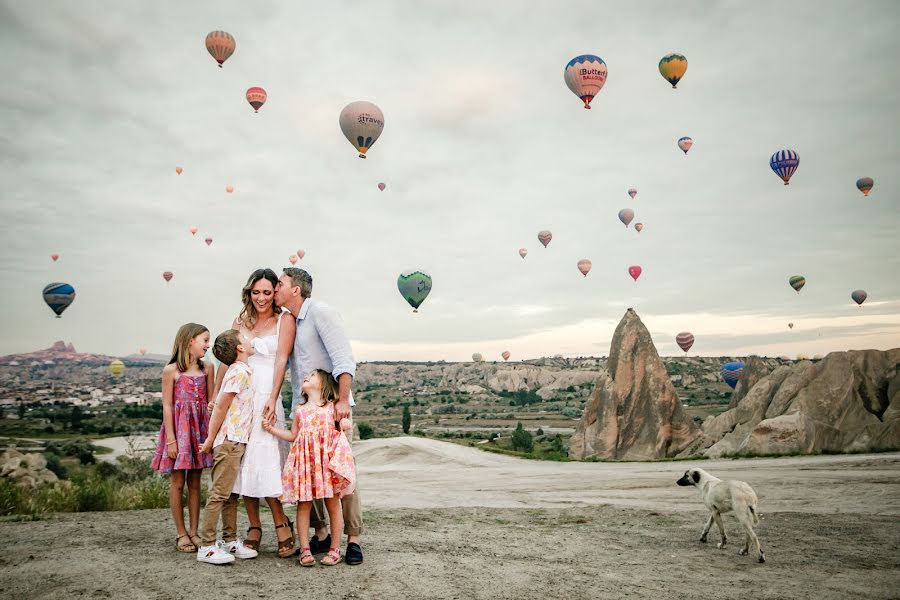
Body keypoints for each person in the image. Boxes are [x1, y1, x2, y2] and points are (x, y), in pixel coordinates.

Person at [266, 267, 364, 565]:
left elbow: (344, 360)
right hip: (306, 410)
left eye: (280, 284)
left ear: (295, 289)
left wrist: (343, 402)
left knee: (341, 473)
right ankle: (322, 535)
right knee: (310, 470)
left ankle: (354, 538)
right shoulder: (291, 321)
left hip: (332, 407)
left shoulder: (321, 313)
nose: (275, 289)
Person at [216, 269, 297, 557]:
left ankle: (280, 521)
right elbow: (226, 362)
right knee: (243, 459)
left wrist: (273, 398)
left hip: (266, 395)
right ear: (248, 292)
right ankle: (253, 526)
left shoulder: (284, 319)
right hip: (240, 399)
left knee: (265, 460)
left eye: (266, 292)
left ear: (275, 291)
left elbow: (282, 360)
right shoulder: (239, 321)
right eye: (256, 292)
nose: (261, 298)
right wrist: (217, 397)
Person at [263, 369, 355, 566]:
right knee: (304, 504)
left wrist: (346, 422)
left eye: (312, 375)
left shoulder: (332, 408)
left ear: (323, 385)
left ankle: (335, 548)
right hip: (306, 465)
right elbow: (293, 435)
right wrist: (272, 430)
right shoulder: (300, 410)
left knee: (332, 504)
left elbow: (342, 427)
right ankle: (305, 548)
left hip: (327, 464)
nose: (306, 376)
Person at [150, 323, 216, 554]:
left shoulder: (208, 368)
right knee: (177, 483)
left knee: (196, 482)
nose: (208, 345)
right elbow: (167, 406)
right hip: (178, 431)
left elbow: (212, 399)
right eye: (204, 340)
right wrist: (171, 439)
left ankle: (194, 531)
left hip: (199, 429)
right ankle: (181, 533)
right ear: (190, 341)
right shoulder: (172, 371)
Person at [196, 330, 259, 565]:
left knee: (231, 494)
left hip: (237, 440)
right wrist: (211, 439)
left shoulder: (239, 371)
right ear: (240, 348)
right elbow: (221, 407)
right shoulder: (239, 372)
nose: (250, 341)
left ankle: (229, 540)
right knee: (219, 494)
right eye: (245, 339)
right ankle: (207, 546)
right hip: (229, 440)